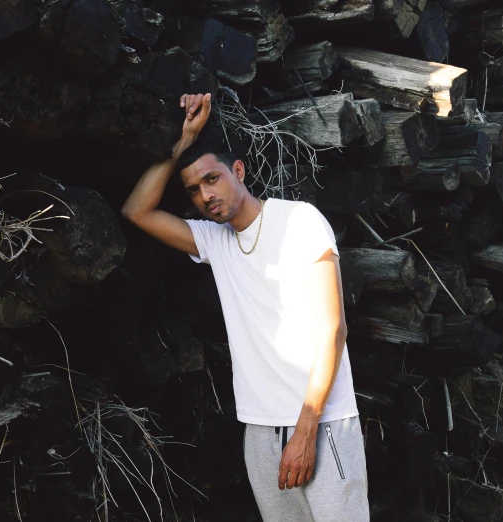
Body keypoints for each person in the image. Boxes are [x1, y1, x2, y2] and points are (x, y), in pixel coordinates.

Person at [122, 92, 370, 522]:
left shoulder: (298, 220)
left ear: (237, 171)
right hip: (259, 430)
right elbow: (136, 211)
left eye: (212, 179)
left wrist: (306, 430)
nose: (205, 195)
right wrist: (182, 142)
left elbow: (333, 329)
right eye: (194, 190)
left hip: (322, 423)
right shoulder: (214, 242)